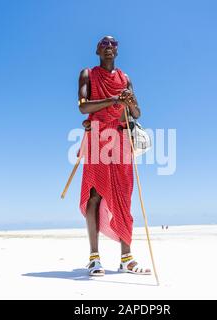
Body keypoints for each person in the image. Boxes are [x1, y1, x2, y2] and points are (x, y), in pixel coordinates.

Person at [78, 36, 151, 276]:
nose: (109, 47)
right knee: (95, 194)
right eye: (104, 44)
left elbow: (137, 113)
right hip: (98, 136)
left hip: (121, 140)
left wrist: (129, 103)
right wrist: (113, 100)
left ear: (117, 51)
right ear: (97, 49)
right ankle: (93, 257)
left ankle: (126, 258)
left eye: (113, 44)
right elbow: (83, 107)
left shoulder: (125, 78)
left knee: (123, 196)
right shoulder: (88, 74)